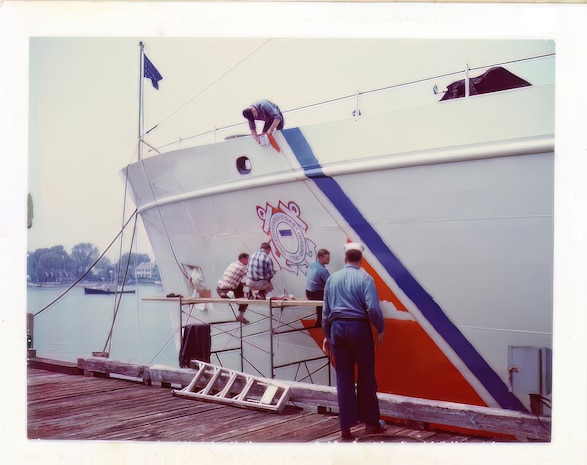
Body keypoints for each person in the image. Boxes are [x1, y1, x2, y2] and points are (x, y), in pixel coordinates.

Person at [322, 242, 387, 441]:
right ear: (360, 258)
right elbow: (373, 309)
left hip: (337, 329)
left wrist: (327, 335)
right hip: (358, 328)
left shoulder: (332, 279)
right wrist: (380, 328)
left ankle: (345, 427)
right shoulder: (365, 278)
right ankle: (371, 422)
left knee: (343, 377)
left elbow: (326, 311)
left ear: (345, 258)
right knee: (366, 376)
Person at [217, 253, 250, 324]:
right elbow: (250, 277)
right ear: (243, 259)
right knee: (246, 299)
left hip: (219, 288)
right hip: (228, 289)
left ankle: (225, 294)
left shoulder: (233, 264)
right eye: (247, 259)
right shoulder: (243, 267)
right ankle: (241, 315)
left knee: (240, 285)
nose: (248, 262)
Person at [305, 248, 330, 327]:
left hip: (308, 293)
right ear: (320, 258)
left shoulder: (313, 265)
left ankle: (319, 321)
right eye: (327, 258)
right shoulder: (322, 270)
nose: (329, 260)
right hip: (316, 294)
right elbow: (330, 283)